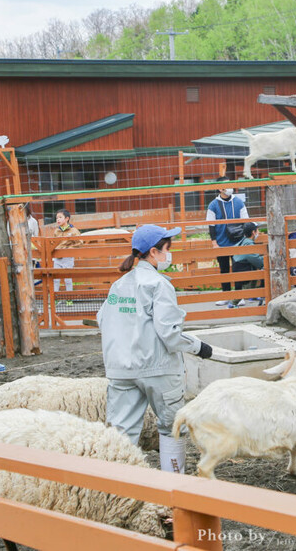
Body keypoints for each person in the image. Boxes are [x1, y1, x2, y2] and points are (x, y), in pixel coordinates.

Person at [97, 224, 214, 474]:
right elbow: (170, 334)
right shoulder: (159, 285)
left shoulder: (118, 286)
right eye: (166, 250)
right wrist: (198, 347)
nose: (168, 255)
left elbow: (102, 319)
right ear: (153, 252)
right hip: (157, 368)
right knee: (171, 426)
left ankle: (118, 488)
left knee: (121, 431)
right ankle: (173, 488)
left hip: (121, 369)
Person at [206, 177, 249, 306]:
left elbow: (246, 219)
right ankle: (226, 295)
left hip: (238, 241)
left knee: (238, 269)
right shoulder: (213, 205)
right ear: (220, 188)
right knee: (224, 269)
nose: (230, 187)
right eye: (226, 185)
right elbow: (211, 225)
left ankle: (239, 296)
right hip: (221, 242)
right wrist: (214, 242)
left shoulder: (239, 202)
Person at [52, 208, 82, 305]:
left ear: (67, 219)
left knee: (67, 279)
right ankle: (54, 299)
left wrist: (69, 248)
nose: (58, 220)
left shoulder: (73, 230)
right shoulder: (57, 231)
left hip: (67, 258)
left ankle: (69, 298)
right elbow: (53, 242)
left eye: (60, 217)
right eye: (57, 218)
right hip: (57, 257)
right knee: (56, 279)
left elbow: (80, 242)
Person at [231, 222, 264, 307]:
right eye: (257, 230)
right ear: (253, 232)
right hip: (245, 276)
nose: (258, 232)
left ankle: (233, 303)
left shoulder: (242, 241)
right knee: (265, 270)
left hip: (238, 274)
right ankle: (262, 296)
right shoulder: (249, 243)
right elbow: (258, 262)